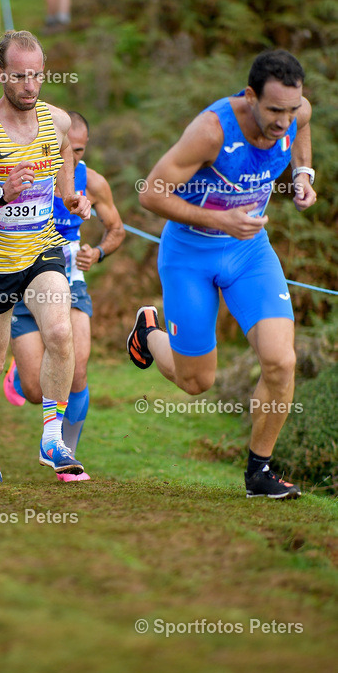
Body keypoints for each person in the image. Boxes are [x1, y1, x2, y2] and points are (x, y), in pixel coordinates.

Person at [128, 49, 316, 499]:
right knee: (197, 382)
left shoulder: (296, 111)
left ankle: (259, 472)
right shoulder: (211, 132)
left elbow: (303, 127)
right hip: (189, 255)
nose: (283, 121)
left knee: (281, 360)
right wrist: (221, 220)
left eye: (290, 110)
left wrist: (303, 174)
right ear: (250, 96)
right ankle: (149, 331)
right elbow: (151, 194)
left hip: (250, 254)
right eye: (273, 111)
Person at [0, 30, 91, 482]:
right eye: (21, 77)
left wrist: (68, 194)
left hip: (40, 251)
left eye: (37, 76)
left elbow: (65, 148)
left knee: (61, 332)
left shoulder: (56, 120)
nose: (30, 86)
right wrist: (0, 194)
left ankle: (52, 437)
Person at [3, 110, 125, 481]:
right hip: (25, 287)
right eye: (67, 150)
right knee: (38, 391)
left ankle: (65, 457)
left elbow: (117, 228)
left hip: (71, 284)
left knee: (79, 369)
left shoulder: (93, 183)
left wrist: (98, 252)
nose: (73, 158)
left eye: (80, 150)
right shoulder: (29, 175)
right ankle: (20, 375)